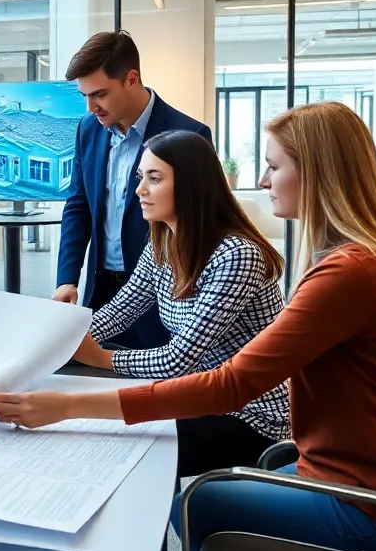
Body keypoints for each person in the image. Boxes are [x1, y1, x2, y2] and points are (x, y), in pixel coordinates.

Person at [0, 101, 376, 551]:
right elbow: (115, 317)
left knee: (191, 505)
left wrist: (70, 402)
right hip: (338, 471)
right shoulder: (346, 262)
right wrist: (30, 349)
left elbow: (230, 383)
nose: (263, 182)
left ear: (320, 174)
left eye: (273, 166)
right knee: (169, 478)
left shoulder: (346, 272)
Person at [70, 129, 289, 481]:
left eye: (154, 179)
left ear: (190, 185)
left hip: (249, 416)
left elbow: (178, 359)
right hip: (196, 392)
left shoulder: (237, 254)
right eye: (141, 177)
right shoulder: (164, 239)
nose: (139, 189)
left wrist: (101, 358)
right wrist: (60, 339)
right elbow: (118, 312)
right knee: (87, 376)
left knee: (124, 440)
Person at [55, 30, 212, 349]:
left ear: (131, 79)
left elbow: (196, 223)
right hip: (100, 291)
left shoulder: (189, 134)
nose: (90, 107)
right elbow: (78, 205)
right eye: (84, 96)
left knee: (154, 391)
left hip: (162, 300)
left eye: (99, 94)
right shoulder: (88, 130)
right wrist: (67, 278)